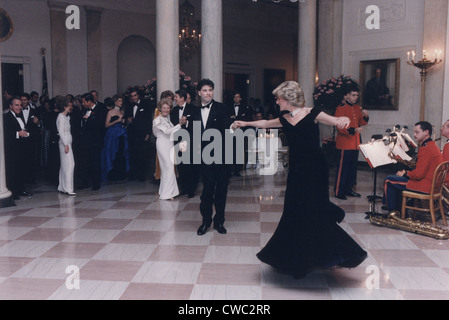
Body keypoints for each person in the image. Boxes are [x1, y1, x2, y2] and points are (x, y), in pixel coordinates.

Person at [232, 81, 367, 278]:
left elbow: (335, 120)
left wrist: (344, 119)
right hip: (296, 170)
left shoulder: (313, 113)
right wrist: (245, 123)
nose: (276, 102)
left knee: (315, 209)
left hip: (315, 169)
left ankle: (331, 254)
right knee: (294, 210)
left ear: (287, 99)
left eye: (278, 98)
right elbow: (264, 124)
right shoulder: (284, 118)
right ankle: (295, 257)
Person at [191, 79, 234, 236]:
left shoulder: (222, 108)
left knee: (221, 191)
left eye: (210, 90)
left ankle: (219, 221)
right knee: (207, 191)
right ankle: (206, 221)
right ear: (199, 92)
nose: (208, 93)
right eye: (205, 90)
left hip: (222, 156)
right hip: (204, 158)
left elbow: (228, 131)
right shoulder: (194, 112)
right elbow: (191, 136)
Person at [382, 121, 443, 212]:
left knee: (389, 180)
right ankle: (399, 210)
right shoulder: (432, 146)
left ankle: (393, 211)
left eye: (417, 132)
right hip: (433, 185)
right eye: (414, 132)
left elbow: (418, 174)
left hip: (425, 185)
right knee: (395, 179)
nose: (414, 135)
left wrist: (405, 174)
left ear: (426, 132)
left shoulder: (426, 148)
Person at [334, 86, 369, 200]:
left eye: (357, 95)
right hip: (344, 143)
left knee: (352, 168)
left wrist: (366, 116)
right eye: (353, 95)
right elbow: (339, 126)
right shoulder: (341, 108)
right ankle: (339, 192)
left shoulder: (358, 108)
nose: (355, 97)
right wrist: (353, 130)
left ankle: (349, 189)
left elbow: (362, 122)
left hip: (355, 142)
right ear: (347, 95)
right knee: (342, 169)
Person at [152, 98, 186, 200]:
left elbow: (172, 131)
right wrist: (180, 125)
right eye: (164, 108)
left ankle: (166, 192)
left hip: (169, 144)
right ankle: (167, 194)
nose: (166, 110)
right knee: (168, 168)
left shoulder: (167, 119)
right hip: (162, 144)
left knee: (168, 168)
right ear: (160, 108)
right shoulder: (157, 120)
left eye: (168, 108)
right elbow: (167, 132)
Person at [3, 97, 33, 200]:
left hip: (21, 148)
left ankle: (20, 189)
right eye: (16, 105)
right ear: (10, 106)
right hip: (12, 149)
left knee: (21, 169)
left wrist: (25, 133)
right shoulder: (6, 117)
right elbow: (4, 134)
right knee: (13, 170)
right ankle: (13, 192)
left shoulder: (20, 117)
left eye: (20, 105)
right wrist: (17, 133)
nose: (19, 107)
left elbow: (22, 130)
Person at [171, 89, 199, 198]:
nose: (175, 99)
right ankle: (184, 188)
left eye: (176, 97)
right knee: (181, 166)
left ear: (182, 98)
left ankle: (192, 189)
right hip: (178, 142)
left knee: (191, 166)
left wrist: (186, 122)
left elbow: (197, 124)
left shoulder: (193, 109)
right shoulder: (174, 110)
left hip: (190, 141)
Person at [78, 92, 107, 190]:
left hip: (95, 142)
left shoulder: (100, 110)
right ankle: (85, 182)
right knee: (85, 162)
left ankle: (96, 183)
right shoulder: (83, 111)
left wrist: (89, 119)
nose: (82, 104)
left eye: (83, 102)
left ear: (89, 101)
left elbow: (100, 125)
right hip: (85, 142)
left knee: (95, 163)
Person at [125, 87, 152, 181]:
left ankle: (142, 176)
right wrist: (127, 120)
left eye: (135, 95)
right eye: (132, 96)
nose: (133, 98)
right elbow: (125, 119)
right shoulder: (128, 106)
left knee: (142, 155)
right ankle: (133, 175)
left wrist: (148, 133)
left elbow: (149, 120)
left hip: (142, 134)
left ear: (138, 95)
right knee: (133, 154)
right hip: (132, 134)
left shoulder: (146, 105)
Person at [101, 95, 130, 182]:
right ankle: (112, 174)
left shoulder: (122, 112)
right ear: (115, 102)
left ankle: (121, 174)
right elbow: (106, 125)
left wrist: (125, 122)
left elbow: (123, 123)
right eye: (120, 101)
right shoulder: (110, 112)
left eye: (122, 101)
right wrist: (116, 121)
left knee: (121, 152)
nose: (121, 103)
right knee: (112, 152)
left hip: (121, 134)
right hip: (112, 134)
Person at [55, 96, 76, 196]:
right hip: (65, 143)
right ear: (64, 106)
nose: (70, 107)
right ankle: (68, 188)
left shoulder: (67, 117)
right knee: (70, 165)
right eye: (68, 106)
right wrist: (65, 144)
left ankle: (62, 187)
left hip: (68, 142)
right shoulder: (61, 116)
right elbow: (61, 132)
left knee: (65, 165)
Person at [229, 91, 253, 177]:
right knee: (230, 151)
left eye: (238, 97)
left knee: (239, 152)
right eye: (235, 97)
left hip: (241, 133)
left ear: (240, 98)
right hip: (230, 133)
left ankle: (237, 170)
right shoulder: (228, 108)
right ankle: (229, 170)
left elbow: (247, 120)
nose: (236, 98)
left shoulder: (245, 108)